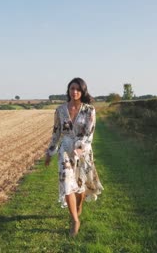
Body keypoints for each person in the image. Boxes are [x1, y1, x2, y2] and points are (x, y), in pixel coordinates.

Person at [45, 77, 104, 237]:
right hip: (65, 149)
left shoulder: (89, 110)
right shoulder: (60, 110)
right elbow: (56, 132)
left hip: (83, 152)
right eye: (72, 88)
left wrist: (79, 149)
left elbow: (89, 134)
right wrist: (50, 152)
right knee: (66, 183)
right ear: (68, 90)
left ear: (82, 91)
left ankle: (78, 208)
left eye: (78, 89)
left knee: (79, 184)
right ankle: (75, 220)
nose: (75, 91)